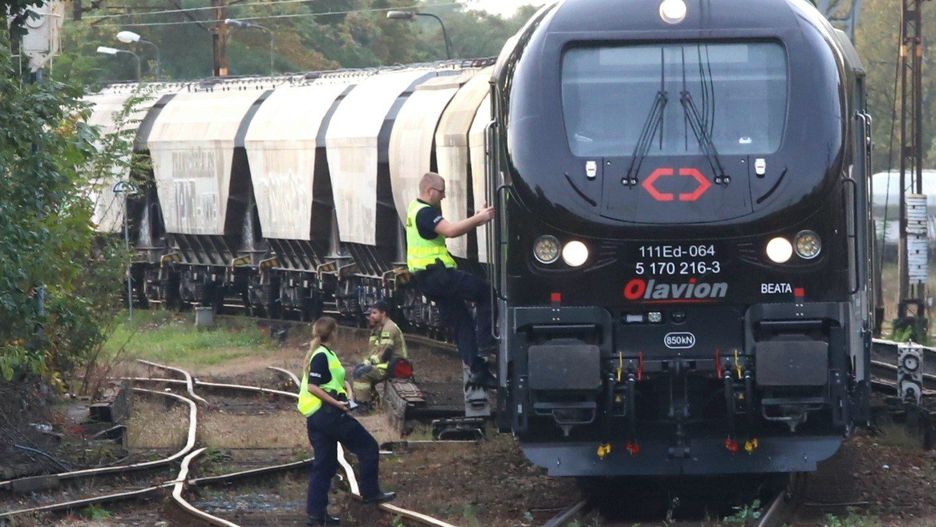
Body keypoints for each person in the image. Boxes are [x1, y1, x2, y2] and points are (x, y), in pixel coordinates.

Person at [297, 317, 395, 527]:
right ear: (333, 333)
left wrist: (348, 393)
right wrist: (338, 404)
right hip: (328, 415)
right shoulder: (321, 356)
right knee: (368, 446)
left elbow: (336, 382)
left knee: (324, 465)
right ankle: (371, 492)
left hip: (319, 417)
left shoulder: (325, 354)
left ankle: (317, 517)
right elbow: (313, 387)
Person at [406, 171, 496, 387]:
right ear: (430, 190)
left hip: (426, 279)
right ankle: (485, 345)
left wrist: (476, 217)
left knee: (462, 324)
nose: (444, 196)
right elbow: (451, 231)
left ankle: (477, 370)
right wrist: (479, 218)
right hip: (439, 276)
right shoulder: (426, 213)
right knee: (487, 293)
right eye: (442, 192)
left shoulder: (413, 208)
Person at [351, 300, 408, 405]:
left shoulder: (389, 328)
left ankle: (364, 404)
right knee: (357, 369)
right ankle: (371, 401)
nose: (371, 316)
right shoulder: (379, 329)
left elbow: (384, 354)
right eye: (370, 313)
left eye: (374, 313)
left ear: (383, 313)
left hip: (395, 367)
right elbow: (373, 351)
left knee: (361, 373)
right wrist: (367, 361)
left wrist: (369, 363)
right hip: (387, 364)